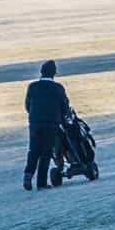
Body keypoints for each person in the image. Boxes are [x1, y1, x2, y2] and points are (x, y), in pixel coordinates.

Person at [23, 60, 71, 191]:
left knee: (33, 150)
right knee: (46, 152)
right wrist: (63, 118)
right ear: (54, 73)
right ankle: (41, 183)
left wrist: (34, 116)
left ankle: (28, 174)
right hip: (51, 123)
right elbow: (65, 107)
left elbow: (27, 105)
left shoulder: (32, 86)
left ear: (41, 72)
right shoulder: (58, 88)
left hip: (35, 122)